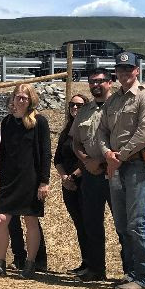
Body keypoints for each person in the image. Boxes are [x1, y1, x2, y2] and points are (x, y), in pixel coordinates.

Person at [97, 52, 145, 289]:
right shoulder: (113, 100)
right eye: (120, 69)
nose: (124, 73)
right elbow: (102, 131)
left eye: (128, 69)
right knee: (122, 224)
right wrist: (107, 154)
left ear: (137, 70)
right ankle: (131, 273)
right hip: (116, 165)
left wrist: (119, 157)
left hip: (137, 165)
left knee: (137, 223)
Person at [0, 83, 51, 279]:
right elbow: (3, 153)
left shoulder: (40, 122)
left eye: (25, 97)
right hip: (9, 180)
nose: (20, 100)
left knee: (30, 220)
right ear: (12, 99)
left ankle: (30, 264)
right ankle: (0, 262)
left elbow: (46, 154)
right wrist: (2, 176)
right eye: (18, 97)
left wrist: (44, 182)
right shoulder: (6, 122)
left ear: (31, 100)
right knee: (0, 219)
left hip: (31, 180)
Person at [71, 68, 127, 282]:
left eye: (100, 81)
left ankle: (130, 271)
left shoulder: (119, 107)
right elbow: (76, 142)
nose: (96, 85)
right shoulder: (84, 111)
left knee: (122, 223)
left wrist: (104, 162)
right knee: (92, 223)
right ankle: (95, 269)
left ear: (110, 82)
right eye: (92, 82)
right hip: (91, 175)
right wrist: (87, 161)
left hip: (116, 172)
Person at [54, 93, 90, 276]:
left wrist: (74, 176)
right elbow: (57, 158)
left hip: (85, 181)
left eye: (80, 105)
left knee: (88, 223)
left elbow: (92, 156)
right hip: (67, 182)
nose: (75, 108)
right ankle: (85, 262)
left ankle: (93, 264)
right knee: (79, 223)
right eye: (72, 105)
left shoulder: (89, 127)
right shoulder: (66, 131)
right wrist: (64, 177)